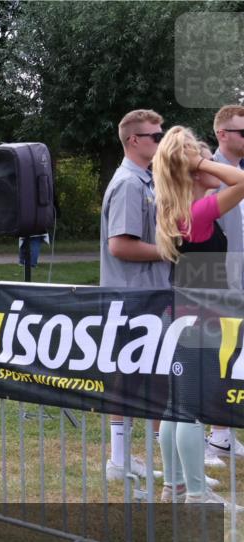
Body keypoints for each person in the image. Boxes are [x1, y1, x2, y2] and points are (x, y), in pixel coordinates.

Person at [153, 128, 244, 506]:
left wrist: (198, 172)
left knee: (176, 406)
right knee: (191, 408)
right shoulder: (197, 212)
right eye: (198, 158)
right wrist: (206, 165)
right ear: (189, 167)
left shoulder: (172, 207)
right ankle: (194, 492)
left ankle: (173, 485)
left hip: (182, 312)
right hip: (199, 316)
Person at [99, 109, 170, 483]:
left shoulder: (146, 179)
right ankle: (119, 460)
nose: (161, 141)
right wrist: (169, 250)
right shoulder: (129, 183)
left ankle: (164, 461)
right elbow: (120, 246)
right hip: (132, 297)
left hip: (149, 294)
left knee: (156, 377)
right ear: (133, 141)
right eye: (155, 137)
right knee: (127, 377)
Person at [204, 105, 244, 462]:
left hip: (239, 277)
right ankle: (212, 433)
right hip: (215, 278)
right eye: (242, 132)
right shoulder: (207, 172)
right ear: (223, 134)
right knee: (216, 354)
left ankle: (225, 433)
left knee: (237, 355)